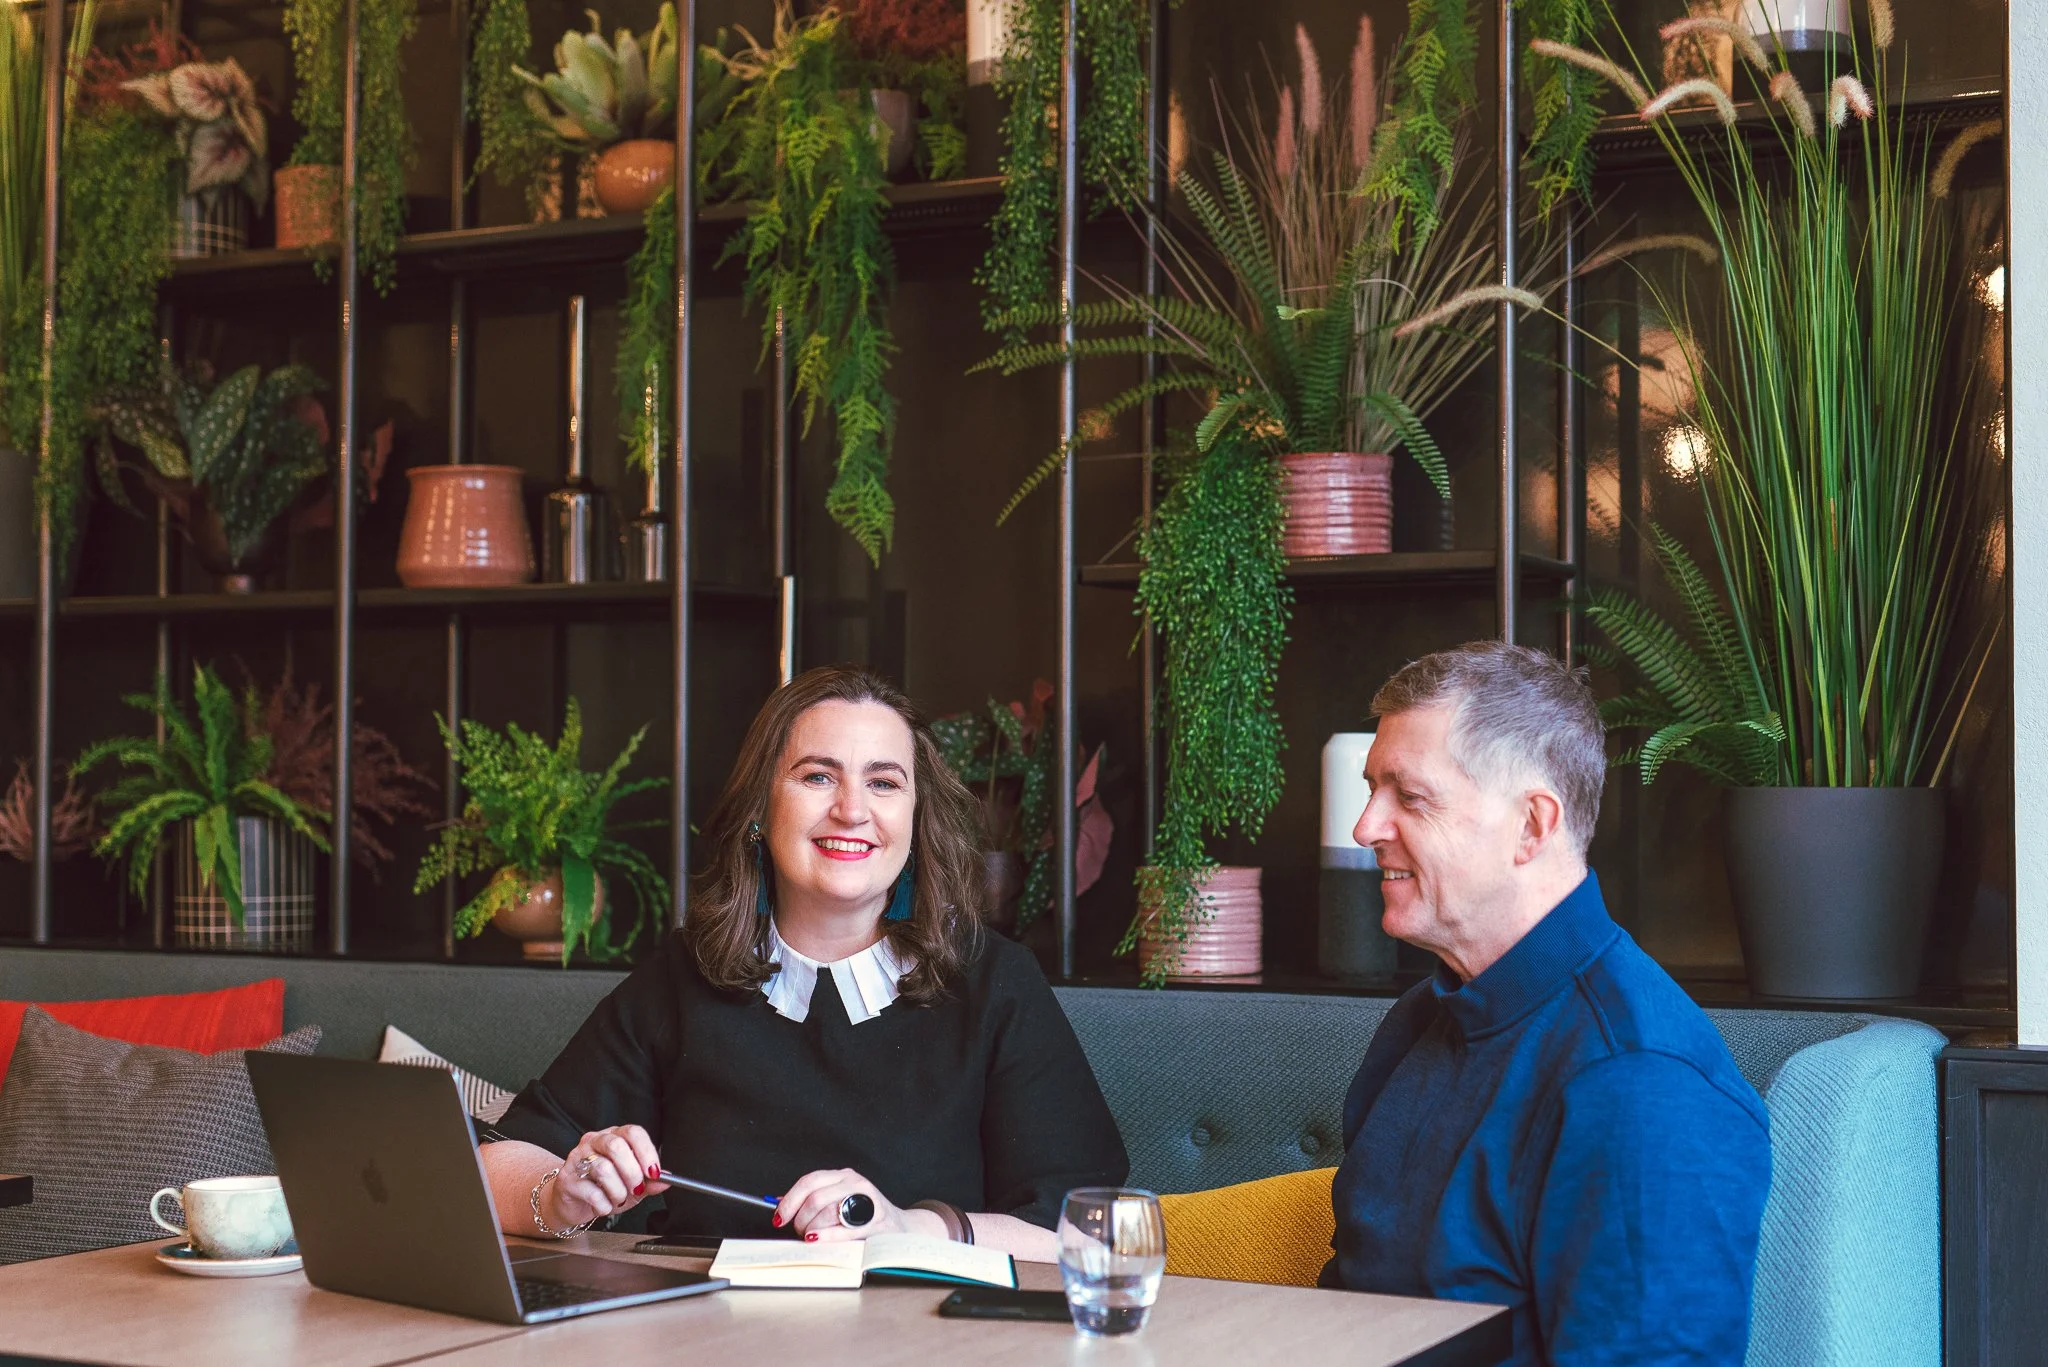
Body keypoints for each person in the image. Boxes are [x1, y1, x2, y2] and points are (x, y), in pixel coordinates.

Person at [478, 666, 1127, 1261]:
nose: (852, 809)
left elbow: (1088, 1231)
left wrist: (911, 1227)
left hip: (918, 1333)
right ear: (761, 809)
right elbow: (494, 1163)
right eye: (818, 776)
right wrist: (560, 1195)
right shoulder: (684, 975)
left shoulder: (995, 982)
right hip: (706, 1330)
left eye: (883, 782)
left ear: (915, 818)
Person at [1325, 642, 1771, 1366]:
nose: (1365, 827)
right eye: (1373, 789)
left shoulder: (1641, 1083)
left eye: (1409, 796)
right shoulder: (1420, 1018)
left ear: (1532, 825)